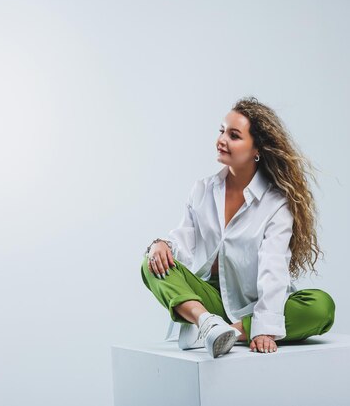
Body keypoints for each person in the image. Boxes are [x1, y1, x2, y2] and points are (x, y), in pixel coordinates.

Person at [141, 96, 336, 358]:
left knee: (321, 307)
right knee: (150, 263)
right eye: (222, 131)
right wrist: (161, 245)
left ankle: (228, 332)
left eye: (234, 135)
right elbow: (182, 245)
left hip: (255, 305)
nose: (222, 139)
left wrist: (264, 326)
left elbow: (273, 266)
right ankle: (206, 323)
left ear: (257, 149)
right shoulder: (202, 190)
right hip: (210, 301)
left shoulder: (276, 204)